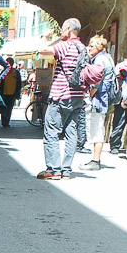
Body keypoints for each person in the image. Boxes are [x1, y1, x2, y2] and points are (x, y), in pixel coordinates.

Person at [36, 18, 86, 181]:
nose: (61, 32)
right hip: (78, 96)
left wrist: (44, 36)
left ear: (70, 29)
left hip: (61, 95)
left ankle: (53, 169)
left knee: (51, 131)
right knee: (71, 133)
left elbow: (43, 51)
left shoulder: (66, 46)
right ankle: (66, 170)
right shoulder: (83, 48)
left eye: (63, 29)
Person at [81, 35, 116, 171]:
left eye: (92, 46)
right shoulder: (107, 57)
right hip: (102, 98)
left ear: (99, 47)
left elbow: (96, 82)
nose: (89, 48)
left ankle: (95, 161)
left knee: (96, 130)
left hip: (98, 99)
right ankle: (95, 159)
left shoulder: (100, 60)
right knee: (97, 128)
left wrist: (89, 96)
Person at [0, 61, 22, 127]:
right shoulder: (4, 72)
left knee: (9, 108)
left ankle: (6, 121)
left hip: (12, 93)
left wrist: (17, 93)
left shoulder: (16, 72)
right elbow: (0, 83)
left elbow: (19, 83)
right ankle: (3, 121)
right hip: (4, 93)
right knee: (3, 108)